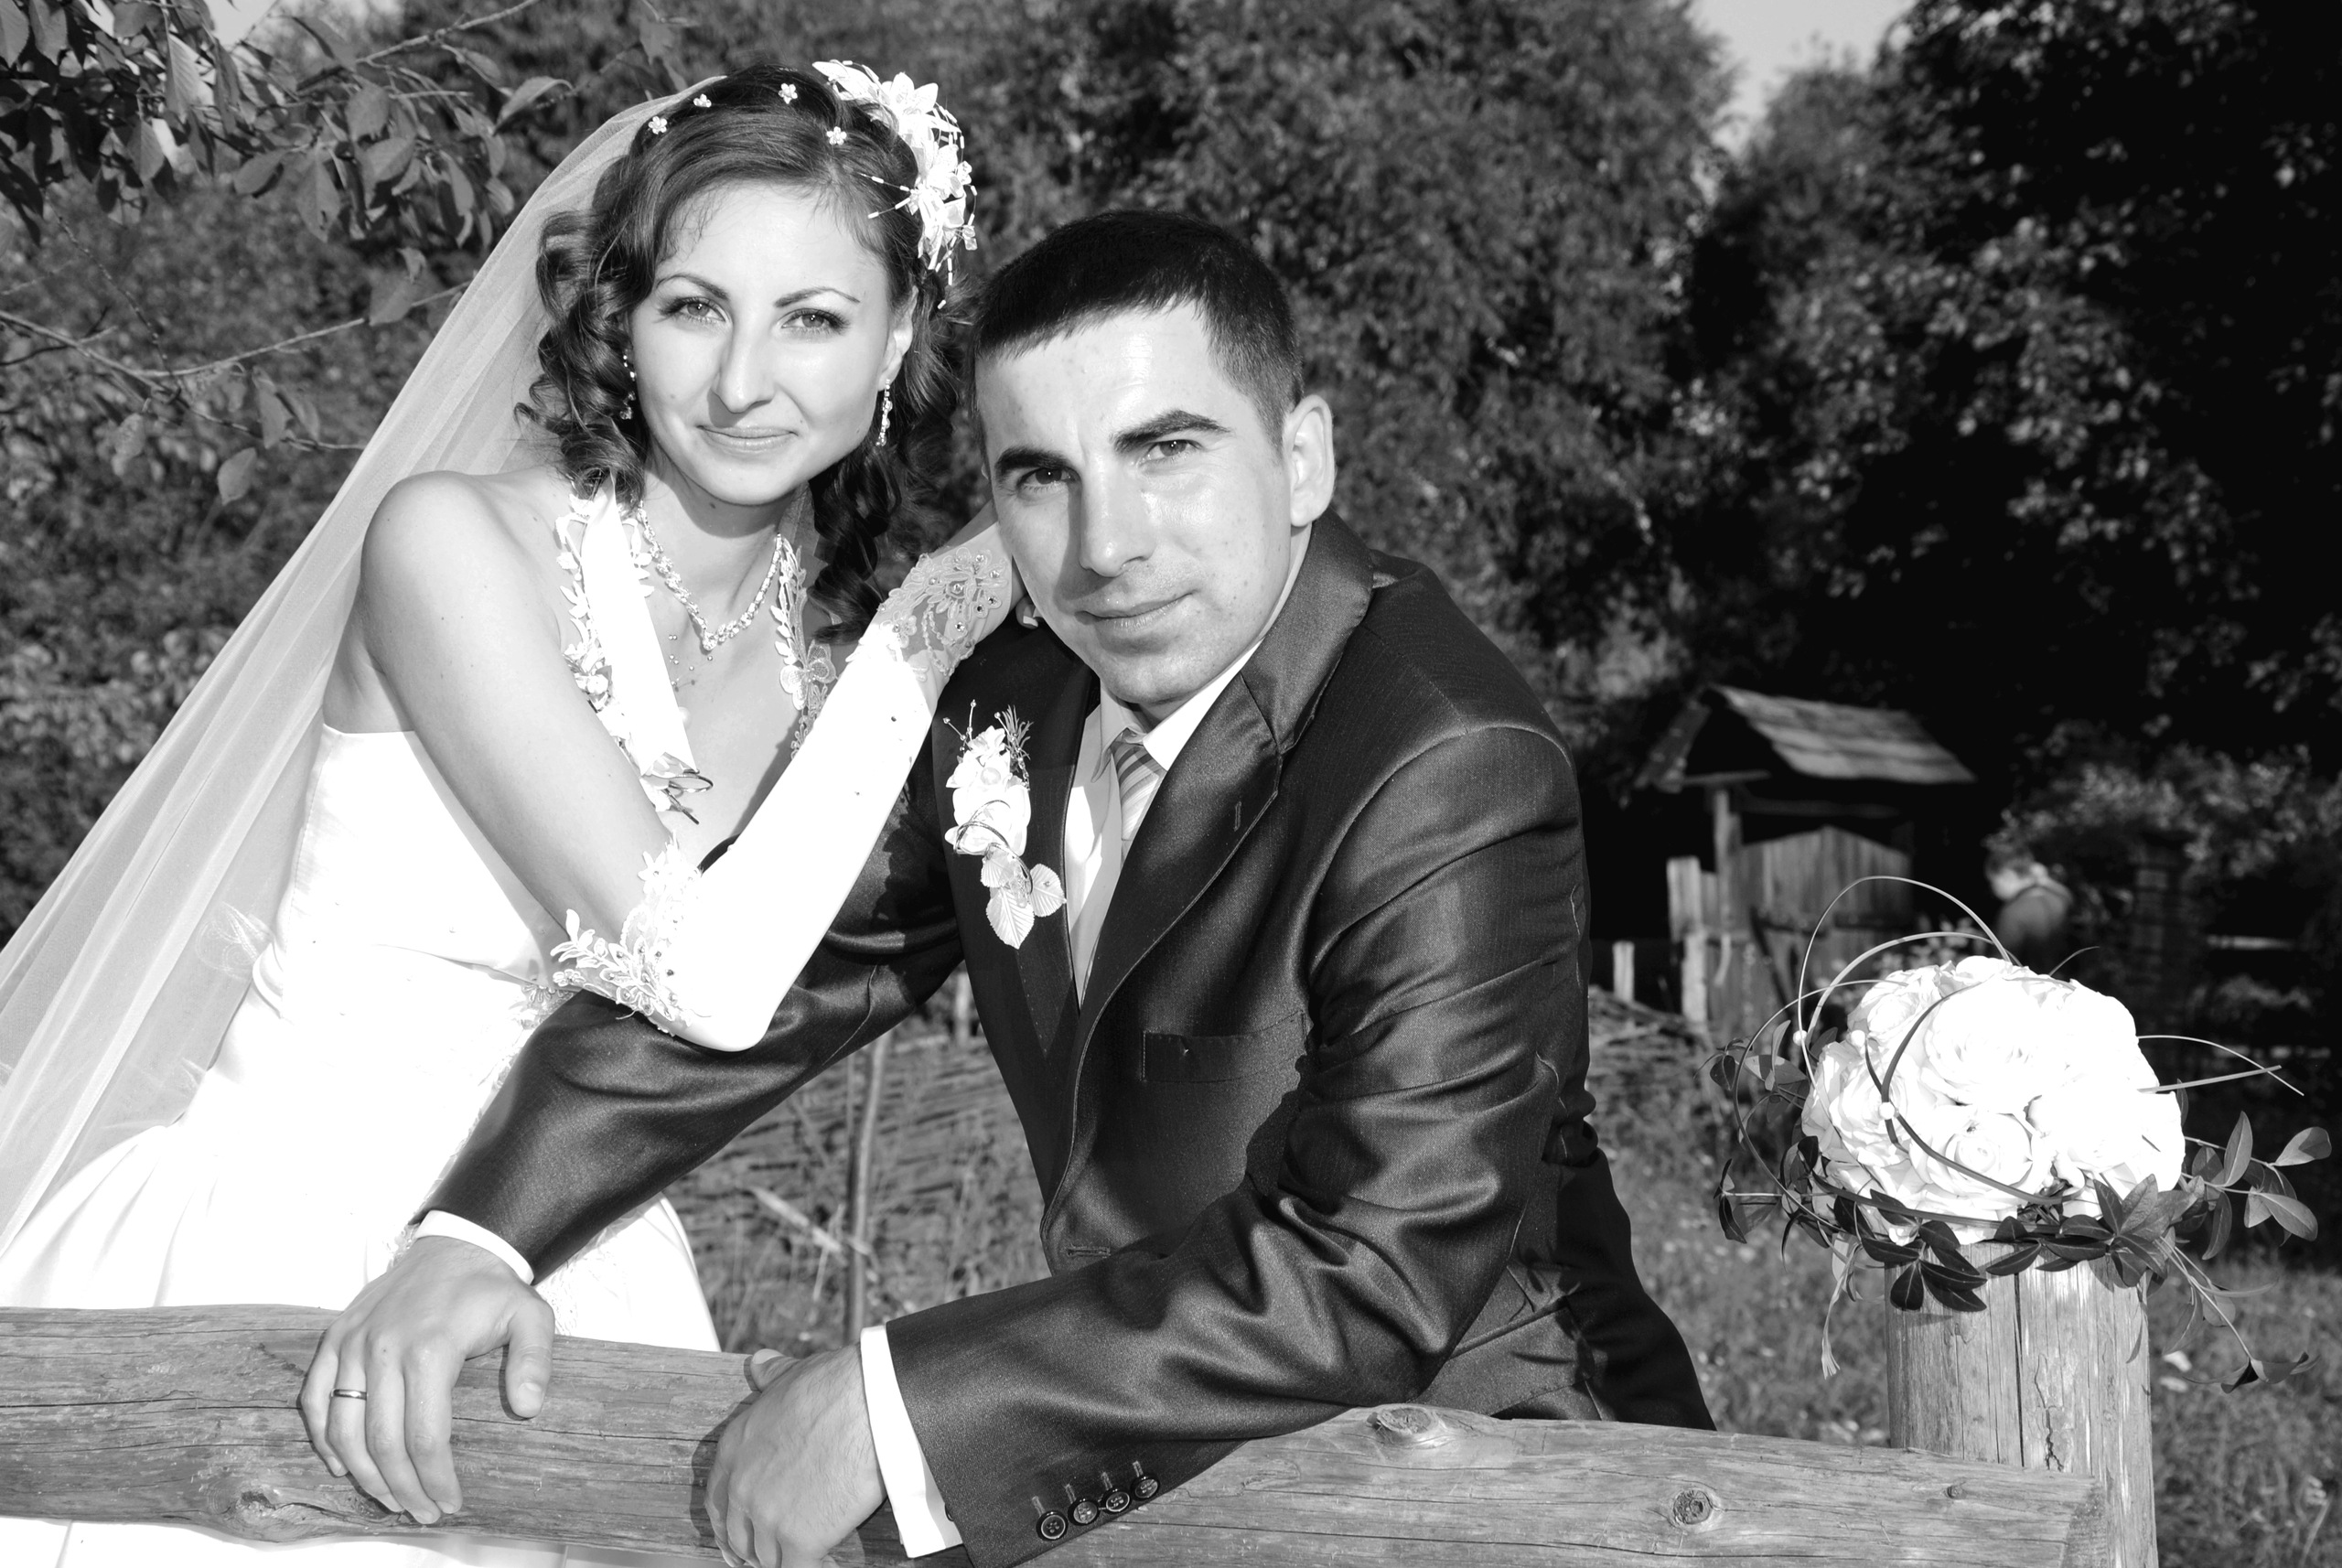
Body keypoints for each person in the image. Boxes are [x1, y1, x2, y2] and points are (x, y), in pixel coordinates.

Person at [314, 209, 1713, 1568]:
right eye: (1042, 476)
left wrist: (895, 1406)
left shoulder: (1445, 758)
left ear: (1302, 458)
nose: (1107, 545)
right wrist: (480, 1234)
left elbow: (1378, 1262)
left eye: (1166, 449)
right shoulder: (1011, 702)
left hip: (1508, 1495)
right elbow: (773, 971)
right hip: (1175, 1471)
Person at [0, 62, 1010, 1568]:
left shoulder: (844, 675)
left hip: (581, 1273)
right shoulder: (452, 545)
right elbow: (698, 975)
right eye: (693, 307)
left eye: (812, 318)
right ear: (623, 315)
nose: (744, 381)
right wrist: (961, 592)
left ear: (900, 335)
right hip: (273, 1253)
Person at [1987, 845, 2075, 972]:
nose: (1993, 888)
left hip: (2033, 983)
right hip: (2067, 981)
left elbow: (2001, 966)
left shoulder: (2013, 912)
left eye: (1993, 881)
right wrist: (2043, 879)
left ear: (2007, 876)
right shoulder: (2060, 898)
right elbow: (2069, 897)